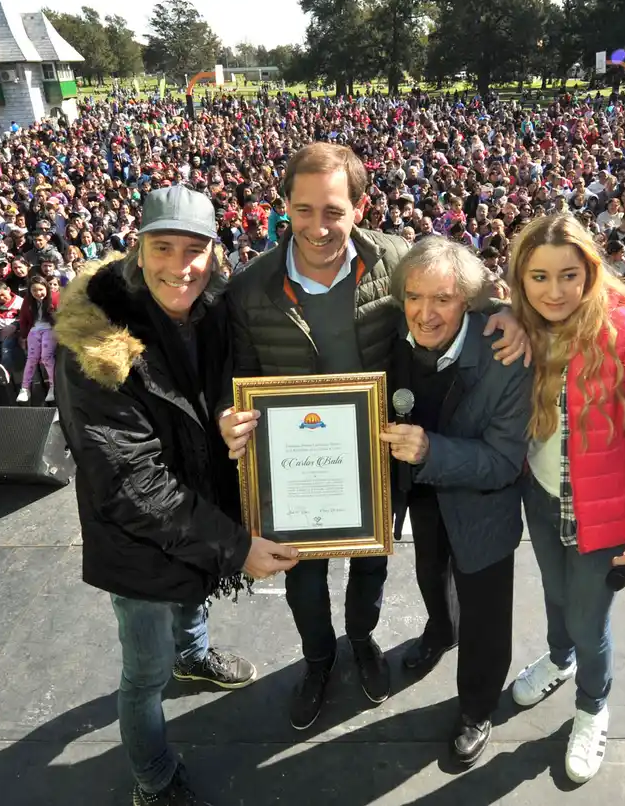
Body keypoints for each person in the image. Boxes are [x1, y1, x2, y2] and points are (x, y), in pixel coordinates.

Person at [216, 142, 527, 731]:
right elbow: (233, 376)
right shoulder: (250, 287)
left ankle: (361, 641)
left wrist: (511, 313)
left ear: (359, 207)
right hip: (291, 468)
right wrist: (226, 417)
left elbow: (466, 285)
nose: (318, 226)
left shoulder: (396, 259)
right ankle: (317, 660)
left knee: (370, 568)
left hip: (374, 458)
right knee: (302, 577)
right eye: (303, 210)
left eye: (333, 210)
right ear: (284, 206)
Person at [53, 185, 300, 806]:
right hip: (139, 537)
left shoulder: (215, 307)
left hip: (198, 512)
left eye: (194, 250)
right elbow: (128, 483)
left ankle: (192, 654)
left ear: (215, 253)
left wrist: (226, 414)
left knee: (192, 598)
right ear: (137, 250)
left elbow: (221, 385)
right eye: (163, 248)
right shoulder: (96, 344)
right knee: (144, 675)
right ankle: (153, 778)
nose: (179, 266)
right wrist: (235, 547)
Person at [504, 214, 625, 786]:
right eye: (539, 277)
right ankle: (559, 658)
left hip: (601, 511)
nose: (554, 291)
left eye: (568, 275)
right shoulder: (524, 324)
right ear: (521, 280)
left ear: (591, 272)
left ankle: (592, 706)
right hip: (540, 495)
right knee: (555, 595)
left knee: (588, 616)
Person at [378, 237, 531, 769]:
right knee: (431, 572)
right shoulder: (390, 335)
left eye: (442, 298)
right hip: (422, 492)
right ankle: (441, 631)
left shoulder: (507, 355)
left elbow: (504, 461)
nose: (425, 312)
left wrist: (430, 451)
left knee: (486, 613)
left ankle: (477, 708)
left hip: (483, 506)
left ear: (466, 299)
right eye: (414, 296)